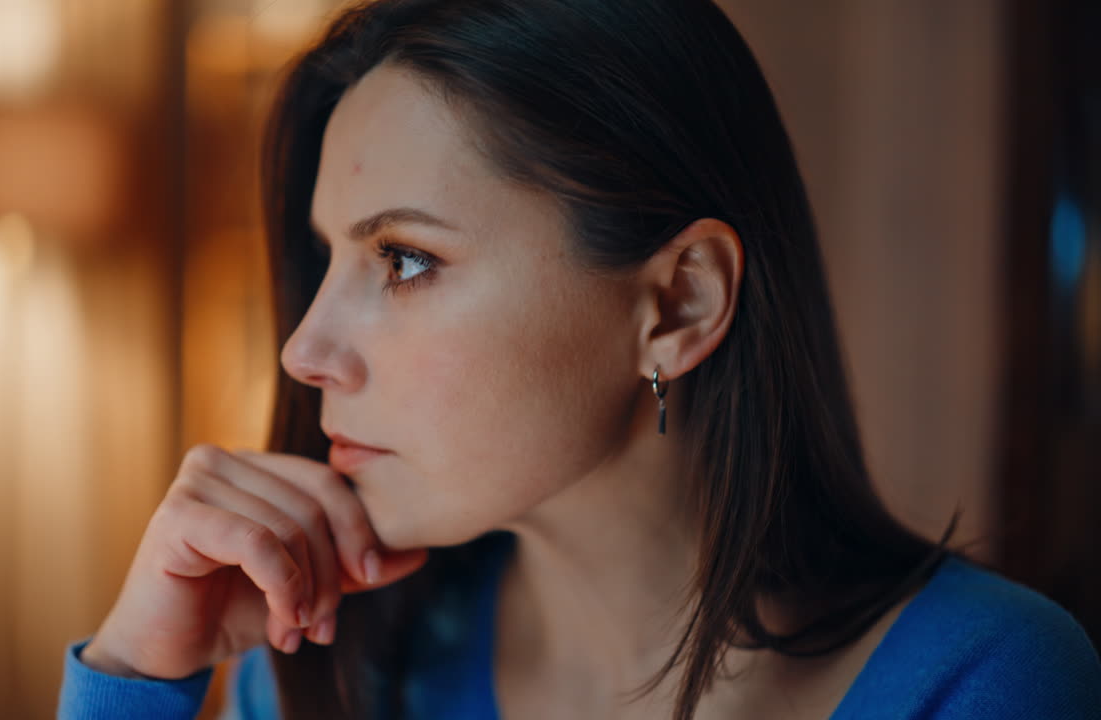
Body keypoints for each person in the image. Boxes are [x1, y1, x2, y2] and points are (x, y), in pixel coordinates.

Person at [58, 0, 1101, 718]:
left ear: (677, 303)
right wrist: (134, 675)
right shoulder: (319, 673)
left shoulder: (984, 684)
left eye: (406, 258)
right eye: (328, 257)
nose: (302, 349)